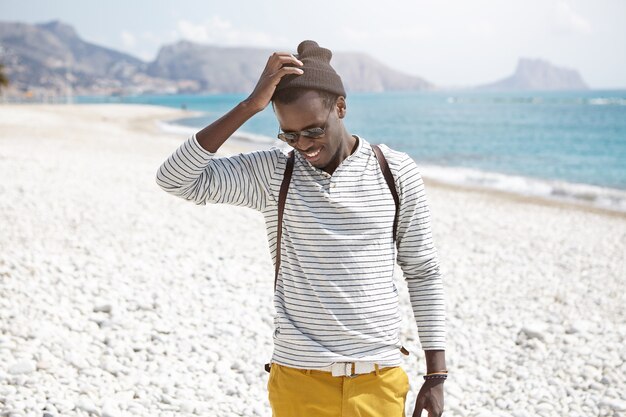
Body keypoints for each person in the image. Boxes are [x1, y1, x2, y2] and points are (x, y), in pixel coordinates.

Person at [156, 40, 447, 417]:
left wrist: (436, 373)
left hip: (379, 380)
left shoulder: (394, 171)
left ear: (341, 107)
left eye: (313, 131)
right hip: (298, 380)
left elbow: (422, 270)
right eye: (289, 135)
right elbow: (175, 179)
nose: (303, 146)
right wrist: (250, 106)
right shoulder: (276, 171)